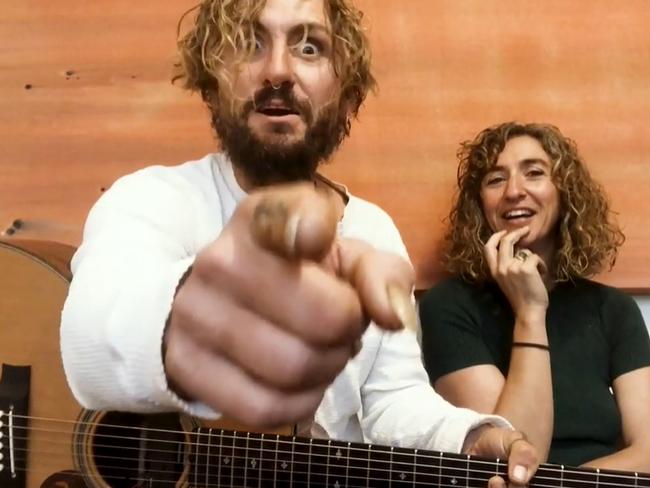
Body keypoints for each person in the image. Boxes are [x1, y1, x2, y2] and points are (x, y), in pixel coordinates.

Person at [61, 1, 538, 484]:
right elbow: (92, 333)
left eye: (309, 47)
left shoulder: (373, 233)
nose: (277, 71)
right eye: (250, 43)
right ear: (211, 82)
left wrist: (465, 439)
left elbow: (391, 399)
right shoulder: (152, 198)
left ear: (346, 94)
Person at [419, 121, 650, 470]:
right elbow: (517, 455)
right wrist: (529, 311)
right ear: (480, 205)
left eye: (534, 173)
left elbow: (648, 451)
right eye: (496, 180)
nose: (514, 191)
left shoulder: (614, 310)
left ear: (564, 193)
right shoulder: (448, 307)